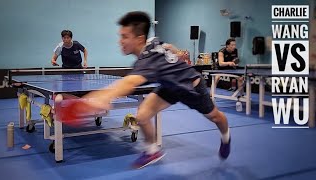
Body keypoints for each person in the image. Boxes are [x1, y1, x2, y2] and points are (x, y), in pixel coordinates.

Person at [73, 11, 231, 169]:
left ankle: (226, 137)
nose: (120, 41)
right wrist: (177, 54)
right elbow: (167, 46)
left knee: (216, 117)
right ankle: (152, 151)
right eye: (120, 36)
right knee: (142, 115)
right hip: (170, 86)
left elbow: (129, 83)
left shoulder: (148, 60)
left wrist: (99, 97)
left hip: (191, 87)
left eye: (125, 36)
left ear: (139, 38)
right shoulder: (151, 41)